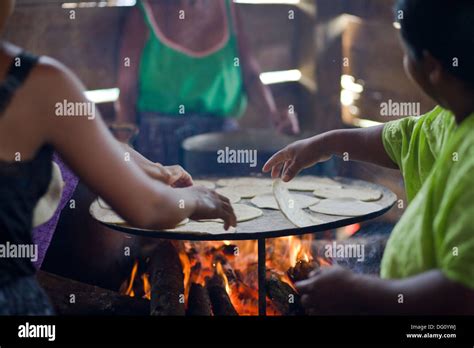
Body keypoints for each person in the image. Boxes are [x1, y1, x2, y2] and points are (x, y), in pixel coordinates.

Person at [0, 0, 236, 315]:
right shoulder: (37, 83)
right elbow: (148, 209)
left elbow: (88, 140)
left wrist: (156, 170)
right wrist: (195, 199)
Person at [263, 0, 474, 314]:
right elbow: (398, 140)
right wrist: (322, 144)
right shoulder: (452, 118)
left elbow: (463, 293)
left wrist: (364, 293)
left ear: (430, 67)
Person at [115, 0, 299, 164]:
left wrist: (274, 114)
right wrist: (125, 149)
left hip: (219, 141)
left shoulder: (228, 8)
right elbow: (127, 94)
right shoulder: (144, 12)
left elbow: (250, 75)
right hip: (158, 143)